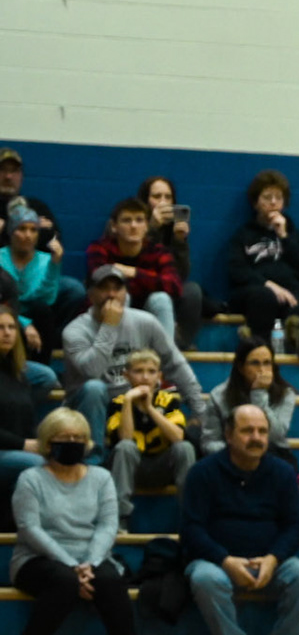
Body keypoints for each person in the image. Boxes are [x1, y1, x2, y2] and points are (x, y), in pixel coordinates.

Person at [8, 408, 149, 635]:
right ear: (49, 442)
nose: (72, 443)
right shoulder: (30, 479)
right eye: (64, 437)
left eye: (79, 438)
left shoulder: (101, 478)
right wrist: (73, 566)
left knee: (111, 580)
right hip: (38, 558)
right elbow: (30, 529)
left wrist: (90, 563)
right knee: (64, 581)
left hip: (90, 557)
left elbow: (108, 525)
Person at [181, 403, 299, 635]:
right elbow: (191, 529)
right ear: (228, 435)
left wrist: (273, 558)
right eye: (247, 431)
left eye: (262, 431)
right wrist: (225, 560)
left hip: (270, 563)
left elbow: (296, 525)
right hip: (217, 562)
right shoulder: (202, 472)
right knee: (204, 578)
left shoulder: (283, 472)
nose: (256, 438)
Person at [62, 266, 207, 456]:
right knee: (94, 388)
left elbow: (175, 364)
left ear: (126, 293)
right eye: (104, 288)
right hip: (93, 405)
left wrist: (199, 410)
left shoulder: (146, 322)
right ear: (90, 294)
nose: (112, 294)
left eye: (118, 288)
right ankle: (94, 458)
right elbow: (93, 371)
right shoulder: (74, 331)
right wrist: (109, 326)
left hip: (137, 404)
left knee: (179, 436)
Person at [226, 169, 299, 359]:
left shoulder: (294, 235)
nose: (273, 202)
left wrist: (284, 236)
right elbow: (236, 270)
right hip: (257, 290)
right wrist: (268, 285)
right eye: (267, 197)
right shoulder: (243, 235)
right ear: (256, 202)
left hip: (291, 292)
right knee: (264, 297)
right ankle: (260, 348)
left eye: (278, 198)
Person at [106, 348, 196, 520]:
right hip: (131, 469)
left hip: (163, 467)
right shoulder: (118, 403)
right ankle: (120, 518)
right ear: (126, 375)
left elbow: (178, 437)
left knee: (185, 448)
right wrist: (128, 401)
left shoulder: (169, 401)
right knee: (125, 448)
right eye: (138, 371)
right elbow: (125, 438)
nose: (145, 377)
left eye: (151, 371)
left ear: (159, 376)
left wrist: (149, 408)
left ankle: (190, 517)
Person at [85, 199, 184, 353]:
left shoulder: (158, 252)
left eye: (139, 220)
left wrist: (133, 272)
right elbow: (101, 281)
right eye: (126, 220)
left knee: (161, 299)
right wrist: (149, 281)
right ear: (114, 226)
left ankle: (165, 362)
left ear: (147, 226)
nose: (133, 226)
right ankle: (116, 361)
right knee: (118, 296)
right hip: (107, 315)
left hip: (148, 314)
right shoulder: (100, 248)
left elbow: (174, 286)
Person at [4, 201, 82, 359]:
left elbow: (47, 299)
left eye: (33, 230)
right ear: (11, 232)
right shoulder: (1, 258)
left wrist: (54, 265)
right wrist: (24, 323)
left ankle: (44, 360)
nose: (28, 235)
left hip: (34, 313)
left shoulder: (46, 261)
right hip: (5, 315)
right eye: (22, 229)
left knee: (43, 310)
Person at [137, 174, 207, 349]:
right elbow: (139, 261)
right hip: (142, 288)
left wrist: (180, 241)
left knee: (192, 291)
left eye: (168, 197)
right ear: (146, 200)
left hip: (168, 287)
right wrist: (152, 228)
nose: (163, 202)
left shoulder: (174, 229)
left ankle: (179, 343)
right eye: (156, 196)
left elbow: (181, 275)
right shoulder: (135, 224)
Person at [206, 337, 298, 467]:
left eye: (267, 363)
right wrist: (237, 452)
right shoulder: (219, 396)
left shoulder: (286, 394)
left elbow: (276, 436)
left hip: (272, 454)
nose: (262, 370)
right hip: (229, 457)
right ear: (241, 367)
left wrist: (258, 393)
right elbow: (209, 442)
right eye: (255, 363)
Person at [0, 305, 51, 504]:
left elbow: (26, 421)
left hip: (13, 451)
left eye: (12, 327)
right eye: (1, 327)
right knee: (37, 464)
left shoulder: (19, 375)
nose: (7, 333)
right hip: (8, 450)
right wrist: (22, 444)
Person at [0, 147, 63, 255]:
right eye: (2, 170)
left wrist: (4, 229)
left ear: (21, 176)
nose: (8, 176)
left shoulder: (37, 208)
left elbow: (53, 243)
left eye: (14, 171)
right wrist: (33, 226)